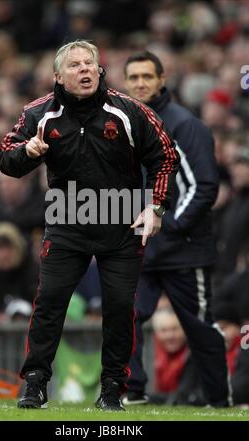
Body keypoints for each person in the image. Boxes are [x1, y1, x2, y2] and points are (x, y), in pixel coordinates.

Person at [0, 40, 179, 410]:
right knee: (49, 303)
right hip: (67, 218)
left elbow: (164, 155)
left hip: (121, 222)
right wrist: (25, 153)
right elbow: (5, 157)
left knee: (118, 308)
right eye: (75, 65)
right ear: (58, 76)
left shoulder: (129, 112)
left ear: (99, 70)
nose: (84, 70)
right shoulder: (38, 114)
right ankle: (35, 383)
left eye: (90, 64)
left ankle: (112, 388)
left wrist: (156, 206)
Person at [122, 51, 231, 407]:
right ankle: (134, 390)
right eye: (133, 77)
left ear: (162, 79)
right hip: (141, 247)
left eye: (147, 77)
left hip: (183, 247)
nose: (140, 83)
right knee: (125, 313)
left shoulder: (186, 125)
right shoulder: (124, 125)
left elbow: (204, 187)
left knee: (199, 328)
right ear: (125, 82)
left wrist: (168, 226)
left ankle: (219, 400)